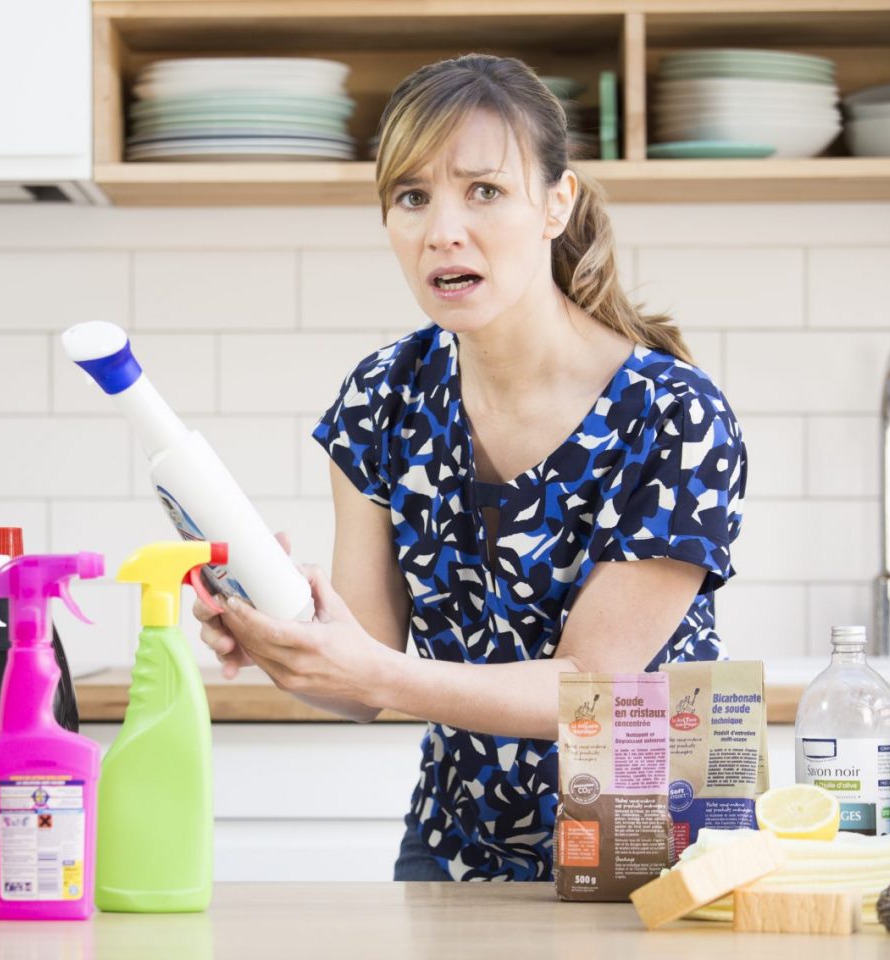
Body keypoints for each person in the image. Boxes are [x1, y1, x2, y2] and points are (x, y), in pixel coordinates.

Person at [195, 54, 746, 882]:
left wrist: (372, 668)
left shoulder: (677, 416)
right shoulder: (383, 396)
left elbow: (591, 685)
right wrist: (276, 634)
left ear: (556, 205)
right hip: (453, 844)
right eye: (412, 197)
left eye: (484, 191)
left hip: (652, 847)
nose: (442, 229)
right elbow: (363, 676)